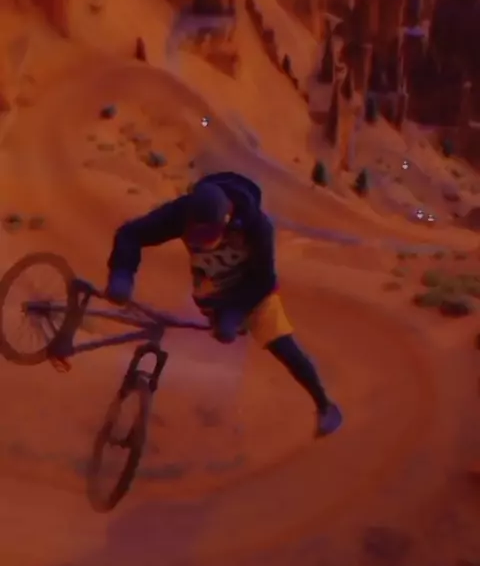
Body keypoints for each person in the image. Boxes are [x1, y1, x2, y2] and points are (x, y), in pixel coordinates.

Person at [105, 171, 343, 438]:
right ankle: (204, 407)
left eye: (209, 236)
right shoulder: (182, 212)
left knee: (284, 346)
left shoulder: (257, 228)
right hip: (213, 295)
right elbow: (131, 234)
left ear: (227, 219)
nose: (201, 244)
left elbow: (264, 281)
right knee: (202, 342)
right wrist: (122, 273)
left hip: (252, 295)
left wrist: (236, 312)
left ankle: (325, 406)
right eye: (195, 235)